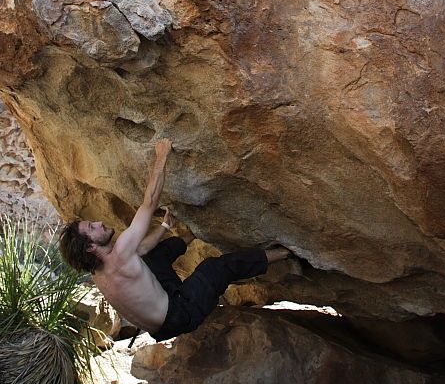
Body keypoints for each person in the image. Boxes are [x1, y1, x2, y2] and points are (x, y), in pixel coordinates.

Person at [59, 139, 290, 342]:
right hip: (180, 313)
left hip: (161, 320)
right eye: (92, 227)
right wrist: (162, 155)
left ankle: (190, 235)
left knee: (151, 256)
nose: (98, 223)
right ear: (90, 247)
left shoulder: (100, 272)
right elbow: (149, 202)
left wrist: (165, 227)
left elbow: (142, 249)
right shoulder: (120, 255)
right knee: (216, 267)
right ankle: (284, 254)